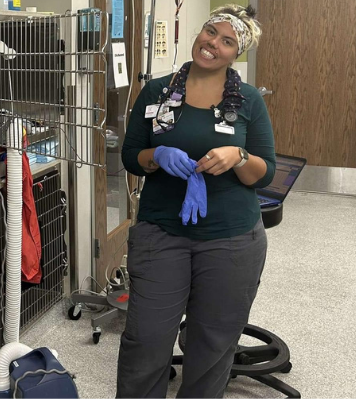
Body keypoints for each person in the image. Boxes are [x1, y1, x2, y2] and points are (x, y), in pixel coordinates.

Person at [117, 4, 276, 398]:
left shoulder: (248, 101)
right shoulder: (157, 91)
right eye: (211, 32)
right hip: (161, 233)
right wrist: (157, 155)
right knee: (145, 340)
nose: (213, 44)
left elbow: (265, 172)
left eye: (227, 41)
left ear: (236, 54)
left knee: (212, 344)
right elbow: (131, 156)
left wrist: (238, 156)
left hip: (231, 239)